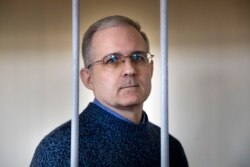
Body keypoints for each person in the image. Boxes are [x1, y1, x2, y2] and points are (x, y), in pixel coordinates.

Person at [30, 15, 188, 167]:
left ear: (151, 69)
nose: (129, 69)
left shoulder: (169, 147)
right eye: (112, 59)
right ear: (88, 78)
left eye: (138, 57)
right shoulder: (62, 150)